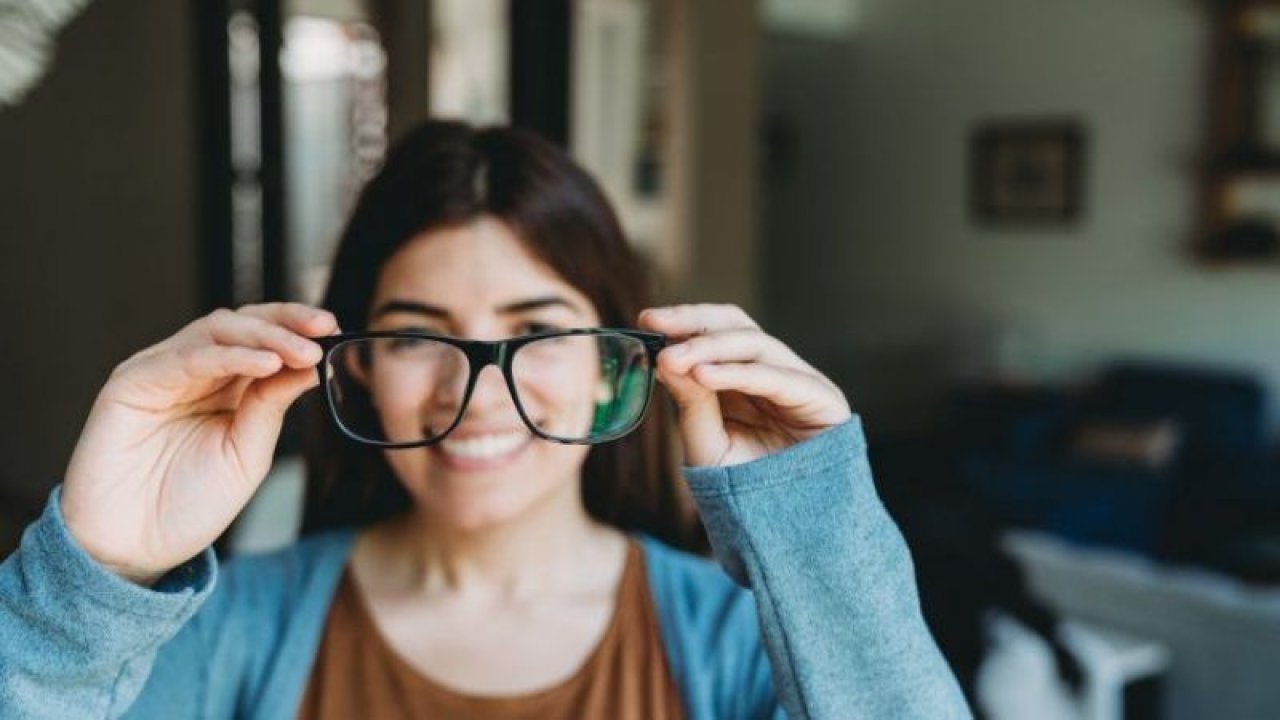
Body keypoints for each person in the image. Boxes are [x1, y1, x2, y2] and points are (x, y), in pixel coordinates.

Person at [0, 121, 969, 719]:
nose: (481, 391)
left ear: (609, 367)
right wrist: (94, 574)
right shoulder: (232, 630)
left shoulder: (734, 639)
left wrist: (814, 535)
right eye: (418, 335)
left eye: (535, 331)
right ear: (361, 370)